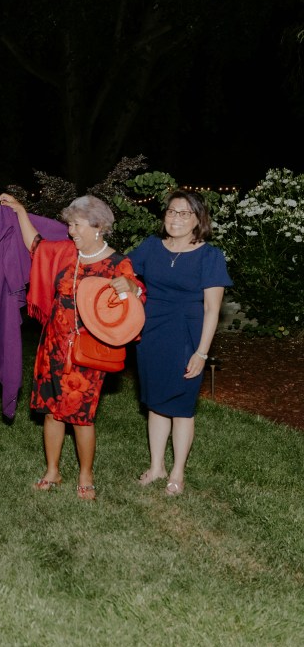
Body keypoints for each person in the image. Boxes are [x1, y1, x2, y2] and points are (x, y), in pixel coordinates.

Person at [0, 193, 142, 501]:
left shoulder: (117, 263)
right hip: (53, 345)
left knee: (81, 415)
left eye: (76, 225)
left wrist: (131, 288)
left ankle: (86, 475)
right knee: (52, 411)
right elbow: (36, 246)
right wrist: (21, 211)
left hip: (88, 351)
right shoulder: (67, 253)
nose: (70, 231)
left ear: (97, 226)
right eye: (70, 225)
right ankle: (52, 471)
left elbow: (135, 296)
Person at [111, 191, 232, 496]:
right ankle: (156, 467)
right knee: (156, 402)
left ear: (198, 220)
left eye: (184, 213)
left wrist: (202, 352)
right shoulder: (152, 247)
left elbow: (212, 310)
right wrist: (132, 287)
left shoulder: (210, 256)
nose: (176, 218)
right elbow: (123, 269)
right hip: (151, 332)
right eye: (171, 212)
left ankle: (177, 472)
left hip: (188, 335)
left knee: (181, 406)